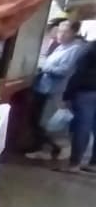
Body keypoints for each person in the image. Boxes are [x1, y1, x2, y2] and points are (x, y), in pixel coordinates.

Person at [26, 19, 87, 160]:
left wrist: (44, 67)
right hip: (44, 87)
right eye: (60, 30)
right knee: (38, 120)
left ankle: (51, 149)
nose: (61, 34)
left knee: (48, 122)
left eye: (65, 31)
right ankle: (43, 148)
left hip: (55, 90)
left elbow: (65, 70)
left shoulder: (75, 49)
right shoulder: (61, 47)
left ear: (74, 33)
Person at [58, 39, 96, 173]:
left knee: (82, 128)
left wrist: (67, 95)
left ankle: (74, 164)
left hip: (87, 92)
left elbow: (79, 74)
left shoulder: (90, 49)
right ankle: (93, 164)